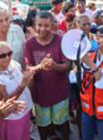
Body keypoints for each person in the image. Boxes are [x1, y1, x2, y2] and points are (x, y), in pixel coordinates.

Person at [24, 11, 71, 140]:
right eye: (39, 25)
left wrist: (54, 66)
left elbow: (67, 66)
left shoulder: (60, 40)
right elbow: (29, 69)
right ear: (34, 26)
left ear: (52, 26)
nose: (42, 29)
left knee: (62, 122)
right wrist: (41, 66)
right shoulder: (29, 44)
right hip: (40, 93)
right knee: (43, 124)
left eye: (46, 25)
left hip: (59, 92)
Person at [0, 42, 34, 140]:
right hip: (12, 118)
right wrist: (22, 85)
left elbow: (26, 81)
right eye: (3, 55)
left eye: (9, 53)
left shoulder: (14, 64)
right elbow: (7, 102)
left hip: (24, 111)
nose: (8, 57)